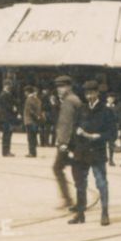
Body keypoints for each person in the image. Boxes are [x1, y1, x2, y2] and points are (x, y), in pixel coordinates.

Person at [69, 82, 115, 226]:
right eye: (86, 93)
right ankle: (80, 214)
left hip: (97, 152)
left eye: (91, 93)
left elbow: (112, 133)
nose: (89, 96)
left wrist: (99, 136)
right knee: (80, 184)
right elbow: (74, 127)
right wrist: (71, 147)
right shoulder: (81, 109)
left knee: (101, 183)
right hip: (81, 152)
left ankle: (104, 213)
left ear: (97, 93)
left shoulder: (106, 111)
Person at [50, 75, 84, 209]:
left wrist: (62, 143)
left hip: (69, 142)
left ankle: (68, 199)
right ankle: (74, 199)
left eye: (62, 86)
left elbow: (66, 124)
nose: (59, 89)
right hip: (76, 141)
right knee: (77, 169)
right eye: (58, 86)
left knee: (57, 168)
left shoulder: (69, 101)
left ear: (69, 87)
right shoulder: (73, 99)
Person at [0, 84, 20, 157]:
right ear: (5, 87)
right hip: (6, 118)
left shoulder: (6, 94)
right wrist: (13, 108)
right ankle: (6, 151)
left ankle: (6, 151)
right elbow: (7, 106)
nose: (9, 88)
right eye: (8, 86)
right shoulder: (4, 95)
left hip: (6, 117)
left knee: (7, 134)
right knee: (7, 135)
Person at [22, 84, 44, 157]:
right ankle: (34, 152)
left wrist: (35, 116)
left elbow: (30, 110)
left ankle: (31, 152)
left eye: (25, 92)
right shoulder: (37, 99)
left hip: (29, 120)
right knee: (33, 137)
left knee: (30, 137)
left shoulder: (28, 99)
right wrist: (38, 117)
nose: (24, 93)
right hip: (34, 121)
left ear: (27, 92)